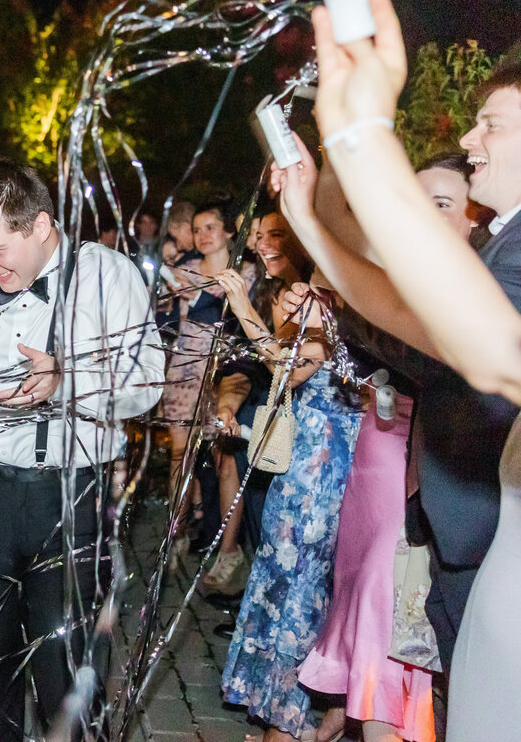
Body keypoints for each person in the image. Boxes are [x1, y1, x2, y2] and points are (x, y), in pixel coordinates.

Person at [279, 0, 521, 741]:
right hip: (487, 549)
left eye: (493, 123)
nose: (471, 137)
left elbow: (474, 343)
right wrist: (315, 226)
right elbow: (429, 321)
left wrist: (364, 135)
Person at [0, 156, 164, 739]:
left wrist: (68, 381)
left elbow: (148, 382)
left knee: (65, 668)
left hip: (70, 497)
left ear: (41, 226)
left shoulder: (109, 276)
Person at [286, 154, 477, 742]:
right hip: (385, 454)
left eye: (441, 203)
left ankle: (382, 710)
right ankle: (363, 704)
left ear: (480, 219)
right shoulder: (403, 278)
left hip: (437, 483)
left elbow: (426, 359)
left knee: (389, 601)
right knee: (367, 595)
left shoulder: (481, 290)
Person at [217, 211, 362, 742]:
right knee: (280, 573)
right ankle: (273, 709)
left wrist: (238, 306)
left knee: (301, 579)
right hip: (306, 451)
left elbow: (289, 365)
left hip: (326, 459)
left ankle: (291, 717)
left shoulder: (341, 286)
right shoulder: (318, 284)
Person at [162, 200, 256, 566]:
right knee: (179, 456)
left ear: (229, 232)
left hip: (223, 373)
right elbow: (169, 313)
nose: (202, 236)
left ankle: (222, 544)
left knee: (221, 460)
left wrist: (202, 293)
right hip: (185, 369)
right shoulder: (184, 267)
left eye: (210, 228)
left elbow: (244, 317)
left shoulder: (247, 273)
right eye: (197, 229)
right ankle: (177, 533)